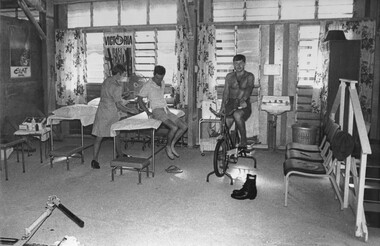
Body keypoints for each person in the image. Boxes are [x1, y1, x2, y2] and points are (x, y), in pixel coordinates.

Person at [91, 64, 139, 169]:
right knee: (116, 133)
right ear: (118, 73)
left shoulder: (106, 81)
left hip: (102, 111)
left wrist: (121, 96)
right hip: (111, 112)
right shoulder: (117, 86)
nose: (123, 76)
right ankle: (119, 154)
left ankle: (95, 159)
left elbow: (109, 96)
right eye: (123, 74)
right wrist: (131, 110)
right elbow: (118, 105)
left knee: (100, 136)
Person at [137, 65, 187, 160]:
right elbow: (139, 99)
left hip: (165, 109)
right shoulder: (148, 85)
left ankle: (172, 144)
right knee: (174, 127)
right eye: (157, 78)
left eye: (161, 78)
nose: (159, 80)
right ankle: (167, 146)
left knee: (184, 126)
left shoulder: (163, 82)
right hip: (157, 110)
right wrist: (148, 112)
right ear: (154, 74)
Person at [218, 54, 255, 149]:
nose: (238, 66)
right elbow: (225, 92)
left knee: (237, 115)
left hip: (244, 104)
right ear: (233, 64)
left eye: (241, 63)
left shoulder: (249, 76)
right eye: (236, 64)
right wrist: (222, 107)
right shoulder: (229, 77)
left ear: (244, 64)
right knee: (225, 126)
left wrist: (244, 100)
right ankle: (224, 150)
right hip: (230, 103)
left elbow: (249, 89)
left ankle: (243, 140)